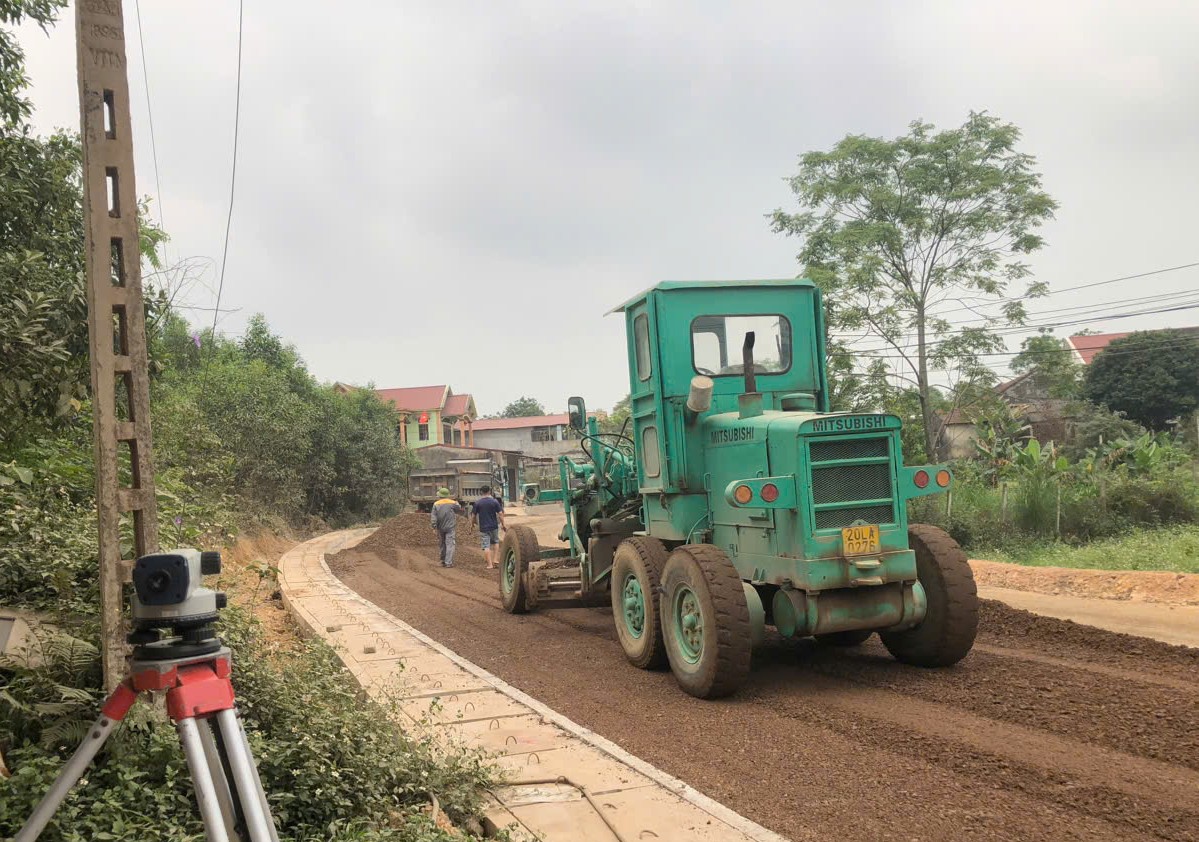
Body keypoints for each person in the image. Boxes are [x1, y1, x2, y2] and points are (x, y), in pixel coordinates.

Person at [471, 486, 506, 570]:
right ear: (489, 491)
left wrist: (472, 524)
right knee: (496, 542)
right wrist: (503, 524)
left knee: (486, 546)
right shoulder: (494, 501)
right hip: (494, 526)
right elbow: (500, 513)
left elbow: (473, 516)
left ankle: (490, 565)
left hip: (483, 527)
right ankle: (495, 559)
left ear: (481, 492)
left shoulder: (478, 503)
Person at [430, 488, 464, 568]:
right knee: (450, 544)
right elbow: (459, 508)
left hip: (440, 527)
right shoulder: (453, 503)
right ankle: (448, 562)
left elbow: (433, 517)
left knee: (442, 544)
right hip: (450, 527)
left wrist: (433, 527)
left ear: (440, 495)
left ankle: (442, 561)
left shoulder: (436, 504)